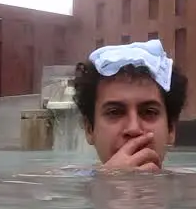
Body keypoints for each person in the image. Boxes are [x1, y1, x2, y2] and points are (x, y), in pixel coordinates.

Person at [72, 38, 189, 172]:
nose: (133, 129)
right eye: (114, 112)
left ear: (171, 130)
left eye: (149, 112)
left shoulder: (193, 188)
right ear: (89, 130)